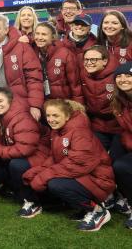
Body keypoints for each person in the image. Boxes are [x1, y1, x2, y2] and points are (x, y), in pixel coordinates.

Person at [21, 99, 115, 231]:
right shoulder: (58, 130)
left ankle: (98, 211)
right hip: (83, 176)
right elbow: (56, 158)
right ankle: (83, 209)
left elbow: (78, 163)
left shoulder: (79, 131)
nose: (51, 119)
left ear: (67, 116)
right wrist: (39, 171)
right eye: (48, 115)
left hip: (99, 180)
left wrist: (45, 175)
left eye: (55, 115)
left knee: (56, 184)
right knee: (35, 175)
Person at [0, 88, 49, 206]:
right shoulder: (5, 116)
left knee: (15, 164)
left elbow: (25, 149)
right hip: (27, 153)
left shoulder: (22, 118)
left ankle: (31, 200)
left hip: (40, 154)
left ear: (10, 101)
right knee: (2, 160)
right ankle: (12, 189)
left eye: (0, 101)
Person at [0, 14, 44, 121]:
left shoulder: (22, 47)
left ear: (6, 30)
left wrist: (35, 105)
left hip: (18, 103)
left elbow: (34, 77)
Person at [80, 45, 124, 160]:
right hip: (97, 125)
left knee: (114, 160)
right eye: (86, 60)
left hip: (119, 126)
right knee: (94, 158)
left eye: (93, 59)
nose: (89, 63)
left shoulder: (118, 76)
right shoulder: (83, 74)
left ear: (104, 61)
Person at [33, 22, 83, 103]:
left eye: (44, 34)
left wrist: (78, 106)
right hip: (44, 104)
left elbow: (75, 84)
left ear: (53, 37)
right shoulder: (32, 52)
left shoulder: (65, 54)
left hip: (63, 104)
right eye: (37, 34)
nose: (39, 37)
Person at [111, 62, 132, 228]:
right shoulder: (119, 100)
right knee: (112, 160)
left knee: (122, 166)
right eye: (119, 76)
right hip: (128, 139)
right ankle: (123, 199)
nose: (123, 79)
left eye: (128, 75)